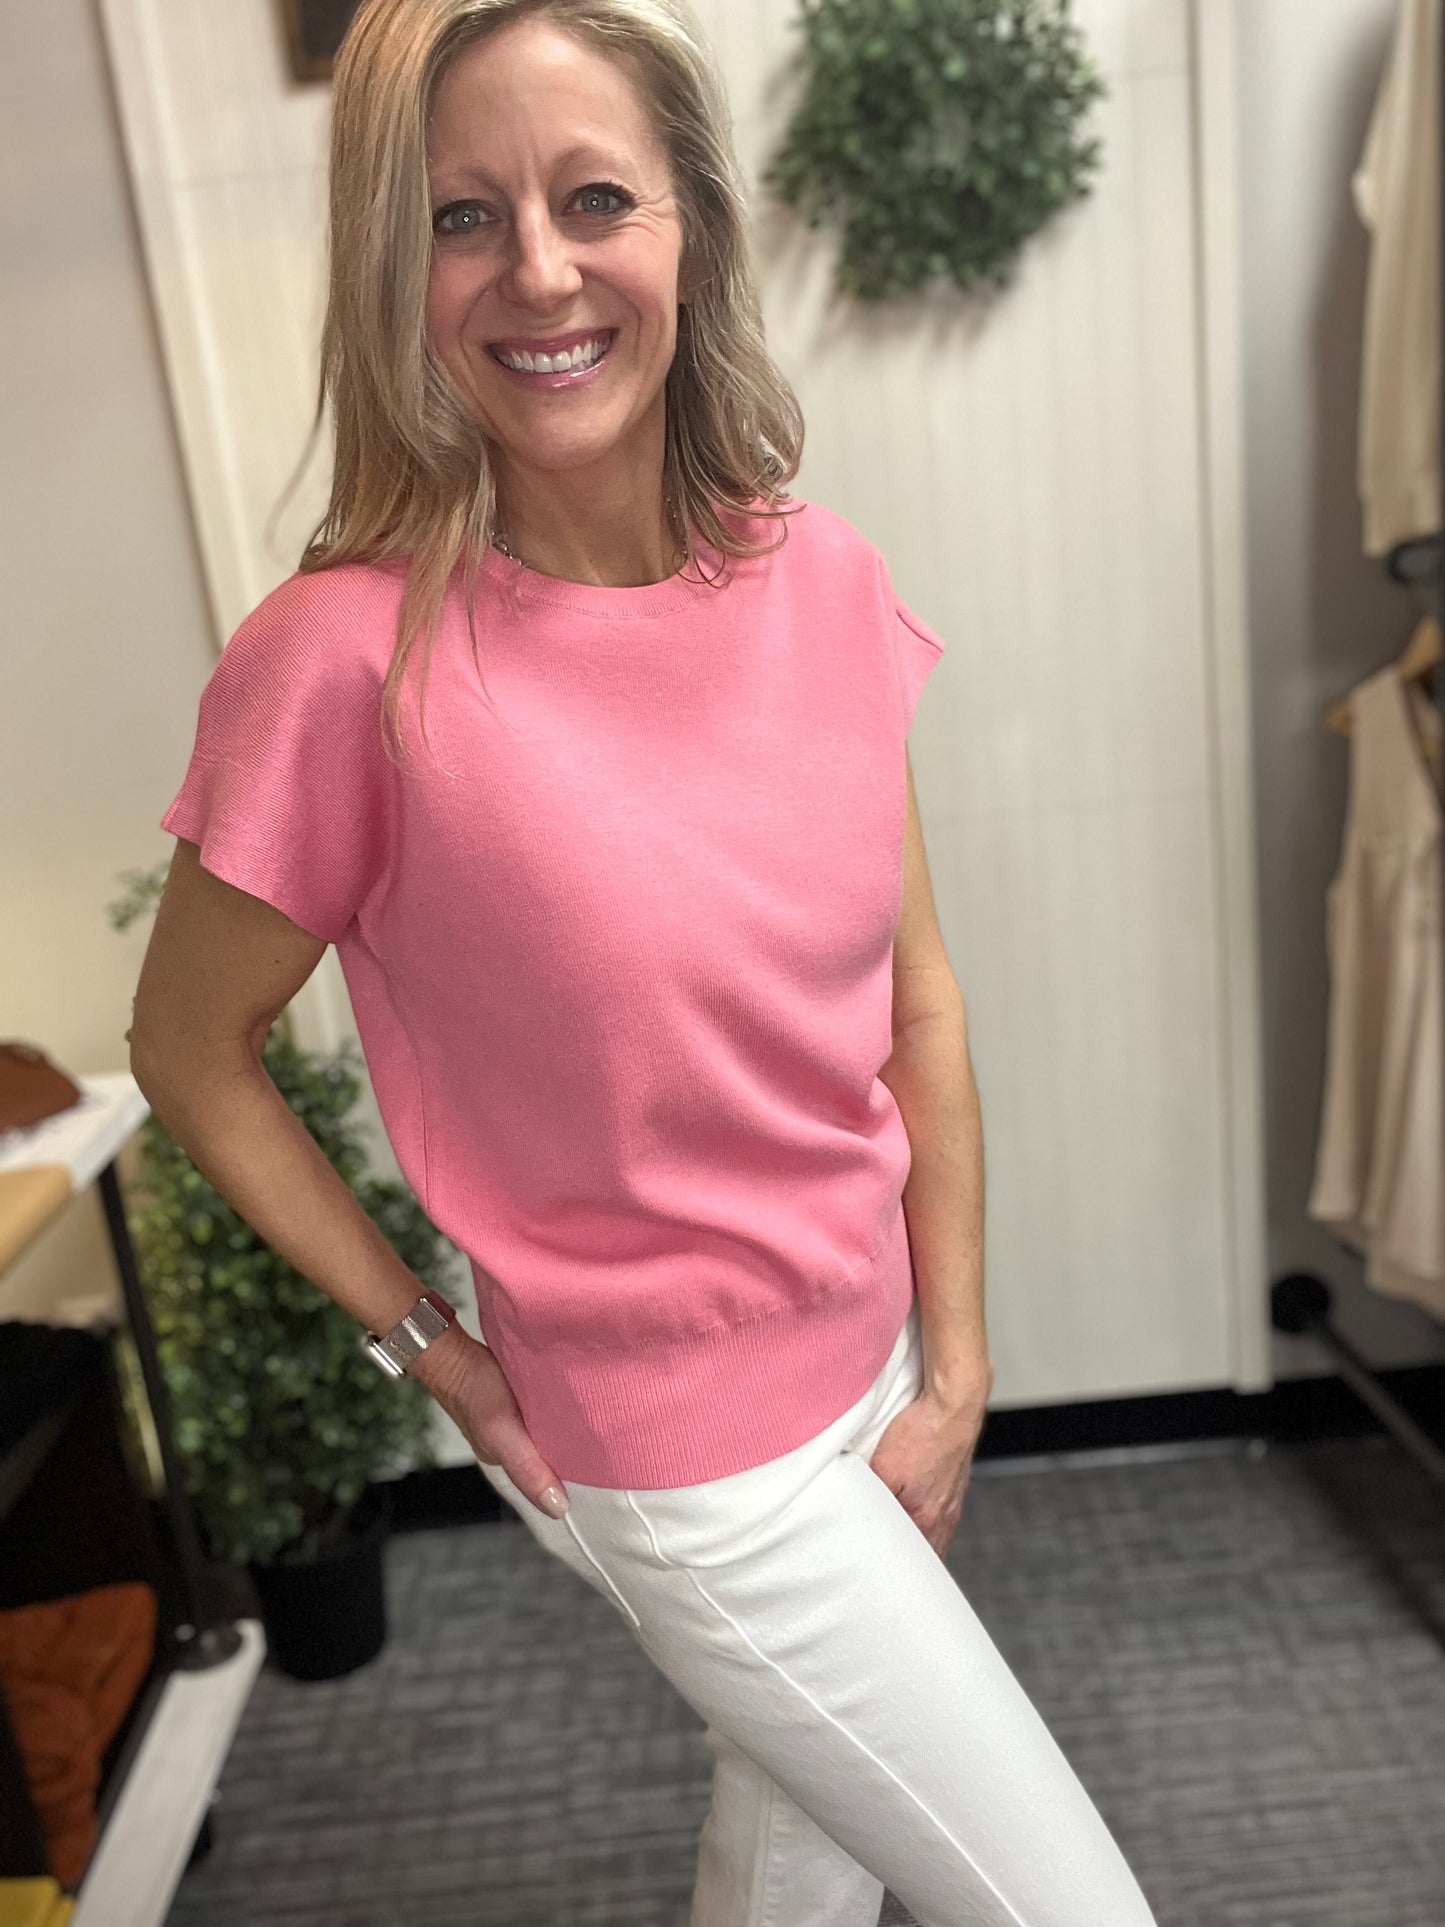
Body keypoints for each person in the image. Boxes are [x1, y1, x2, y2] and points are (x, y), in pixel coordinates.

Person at [131, 2, 1161, 1921]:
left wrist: (956, 1360)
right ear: (393, 267)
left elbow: (913, 1003)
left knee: (796, 1866)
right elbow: (190, 1050)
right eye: (462, 216)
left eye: (594, 197)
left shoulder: (816, 577)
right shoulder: (341, 663)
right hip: (684, 1460)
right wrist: (429, 1351)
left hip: (872, 1355)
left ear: (690, 221)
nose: (538, 269)